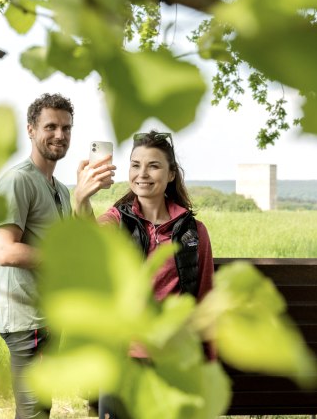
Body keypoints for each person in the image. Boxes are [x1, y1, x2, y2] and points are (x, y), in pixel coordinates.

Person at [0, 93, 115, 419]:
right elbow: (5, 250)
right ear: (31, 130)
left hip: (47, 316)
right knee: (34, 411)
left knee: (39, 408)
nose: (60, 135)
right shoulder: (18, 180)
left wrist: (83, 196)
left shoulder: (59, 188)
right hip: (27, 318)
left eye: (67, 128)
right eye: (51, 126)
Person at [74, 131, 215, 419]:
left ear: (172, 173)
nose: (142, 174)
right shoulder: (115, 221)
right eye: (135, 165)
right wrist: (80, 202)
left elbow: (205, 300)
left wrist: (208, 367)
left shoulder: (193, 232)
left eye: (153, 165)